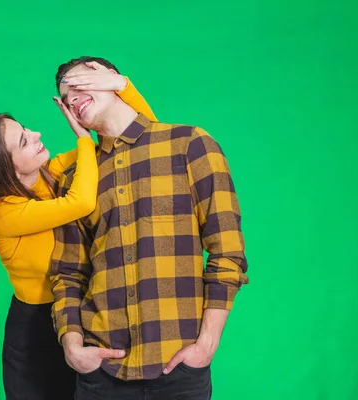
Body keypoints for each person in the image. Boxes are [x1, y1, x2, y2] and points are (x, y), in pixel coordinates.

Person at [0, 62, 157, 400]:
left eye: (26, 128)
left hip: (82, 312)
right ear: (5, 167)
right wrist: (82, 138)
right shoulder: (1, 213)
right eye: (23, 140)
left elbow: (140, 136)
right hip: (37, 330)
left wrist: (121, 84)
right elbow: (80, 203)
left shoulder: (50, 174)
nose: (36, 135)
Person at [51, 56, 249, 400]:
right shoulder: (75, 179)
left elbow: (227, 251)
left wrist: (206, 345)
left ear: (112, 77)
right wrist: (72, 346)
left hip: (179, 368)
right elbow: (68, 272)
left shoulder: (190, 145)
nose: (70, 95)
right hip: (101, 374)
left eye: (78, 81)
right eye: (64, 95)